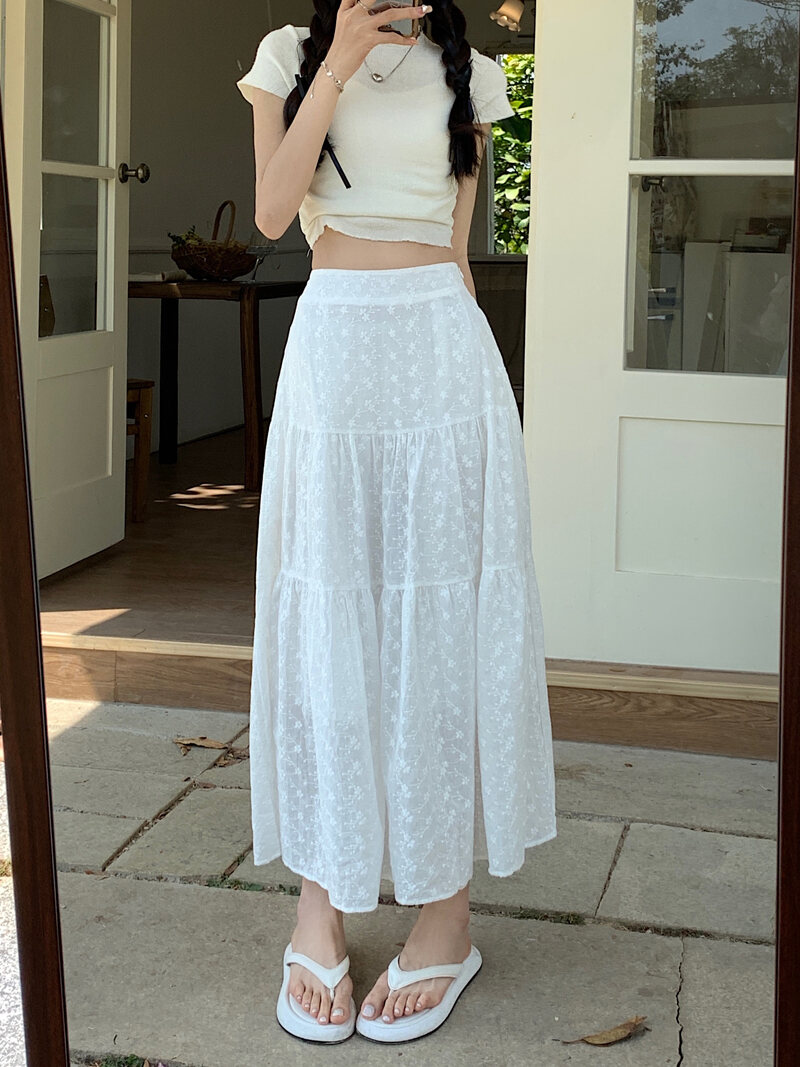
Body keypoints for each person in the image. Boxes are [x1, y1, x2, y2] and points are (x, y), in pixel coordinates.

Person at [235, 0, 556, 1045]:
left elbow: (456, 250)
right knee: (330, 617)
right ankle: (319, 905)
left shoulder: (470, 69)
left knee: (441, 627)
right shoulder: (290, 57)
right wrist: (335, 63)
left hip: (440, 355)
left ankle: (445, 919)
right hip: (334, 346)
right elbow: (273, 213)